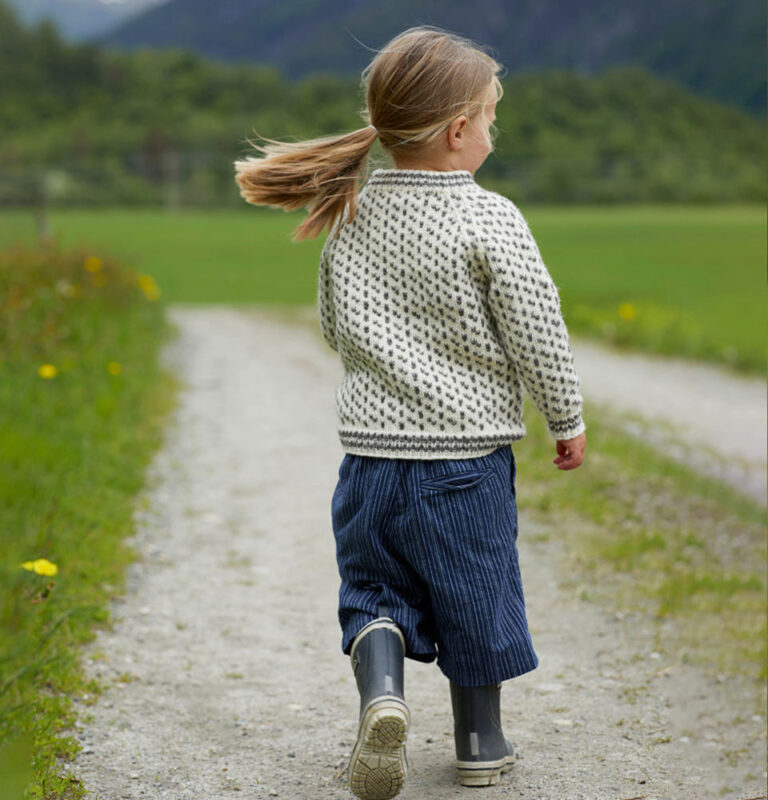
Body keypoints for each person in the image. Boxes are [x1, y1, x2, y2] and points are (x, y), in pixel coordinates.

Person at [234, 25, 586, 800]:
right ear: (459, 128)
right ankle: (479, 743)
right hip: (464, 464)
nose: (493, 131)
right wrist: (566, 419)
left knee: (374, 594)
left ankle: (383, 695)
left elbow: (332, 322)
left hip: (368, 463)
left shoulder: (350, 211)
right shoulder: (489, 219)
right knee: (477, 596)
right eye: (492, 116)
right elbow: (538, 330)